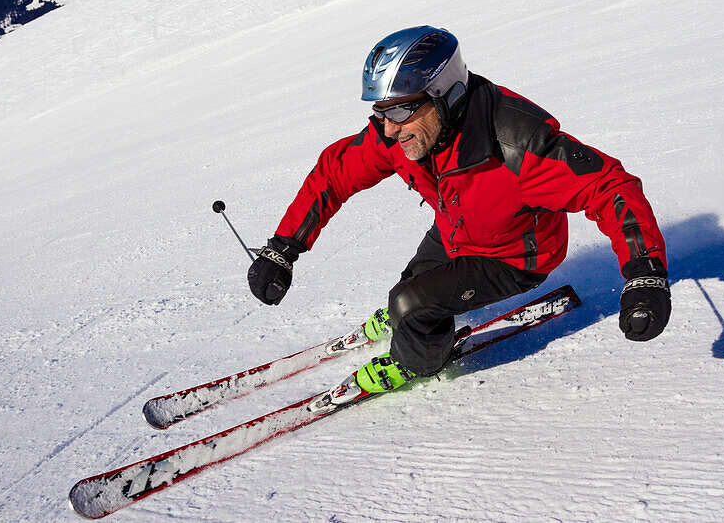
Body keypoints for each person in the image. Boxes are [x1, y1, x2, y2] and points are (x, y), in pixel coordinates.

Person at [247, 26, 670, 394]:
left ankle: (416, 361)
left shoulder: (517, 145)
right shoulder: (402, 136)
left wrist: (645, 272)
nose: (389, 128)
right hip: (456, 230)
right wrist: (282, 247)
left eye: (399, 109)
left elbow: (608, 187)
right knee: (411, 290)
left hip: (514, 256)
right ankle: (410, 320)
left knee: (411, 305)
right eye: (380, 111)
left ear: (444, 95)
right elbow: (334, 174)